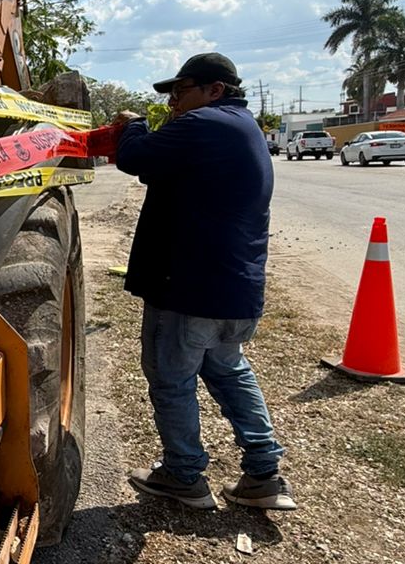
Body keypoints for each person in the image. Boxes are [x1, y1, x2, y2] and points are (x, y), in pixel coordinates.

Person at [112, 52, 294, 512]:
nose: (173, 103)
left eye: (180, 91)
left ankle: (182, 474)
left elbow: (133, 156)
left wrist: (132, 123)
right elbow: (158, 170)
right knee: (229, 371)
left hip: (188, 289)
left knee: (171, 381)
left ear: (215, 89)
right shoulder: (239, 128)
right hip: (234, 290)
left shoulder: (206, 123)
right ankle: (264, 473)